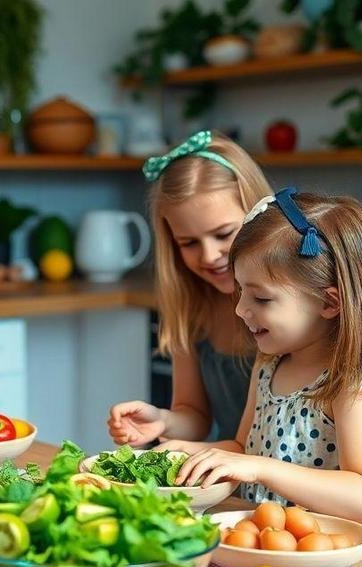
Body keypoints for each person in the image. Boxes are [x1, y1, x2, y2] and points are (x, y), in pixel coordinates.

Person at [167, 188, 362, 538]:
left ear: (328, 302)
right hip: (278, 548)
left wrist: (260, 469)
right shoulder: (269, 365)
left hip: (344, 562)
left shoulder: (353, 385)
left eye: (261, 298)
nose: (241, 309)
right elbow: (243, 448)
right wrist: (191, 453)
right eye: (240, 291)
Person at [108, 130, 273, 447]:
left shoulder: (290, 306)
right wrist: (161, 420)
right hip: (230, 480)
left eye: (224, 234)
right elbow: (195, 416)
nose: (209, 255)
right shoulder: (192, 305)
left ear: (260, 215)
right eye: (189, 243)